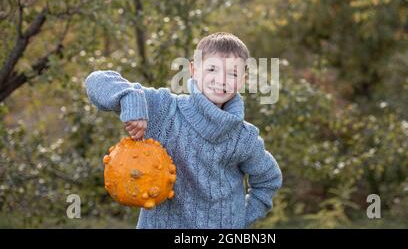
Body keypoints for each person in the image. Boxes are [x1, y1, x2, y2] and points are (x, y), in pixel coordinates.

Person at [84, 32, 282, 228]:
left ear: (242, 80)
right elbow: (96, 81)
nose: (221, 80)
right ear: (194, 70)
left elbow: (268, 179)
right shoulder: (165, 109)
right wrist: (131, 97)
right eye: (212, 69)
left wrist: (238, 219)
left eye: (232, 73)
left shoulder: (243, 137)